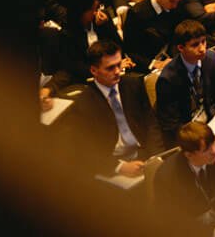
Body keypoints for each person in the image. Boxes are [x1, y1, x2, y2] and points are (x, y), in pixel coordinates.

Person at [64, 40, 161, 181]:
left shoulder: (134, 84)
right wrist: (119, 167)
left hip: (144, 153)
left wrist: (155, 157)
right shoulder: (83, 103)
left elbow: (152, 124)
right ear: (93, 71)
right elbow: (84, 151)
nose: (117, 72)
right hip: (112, 162)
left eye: (119, 65)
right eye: (110, 68)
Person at [154, 120, 215, 236]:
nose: (214, 151)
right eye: (206, 150)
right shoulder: (167, 176)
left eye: (214, 143)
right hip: (193, 230)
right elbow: (174, 221)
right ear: (188, 155)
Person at [153, 19, 215, 145]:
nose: (202, 49)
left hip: (212, 121)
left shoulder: (211, 59)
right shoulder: (168, 79)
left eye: (204, 41)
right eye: (195, 45)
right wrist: (197, 135)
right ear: (181, 48)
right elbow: (171, 124)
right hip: (189, 132)